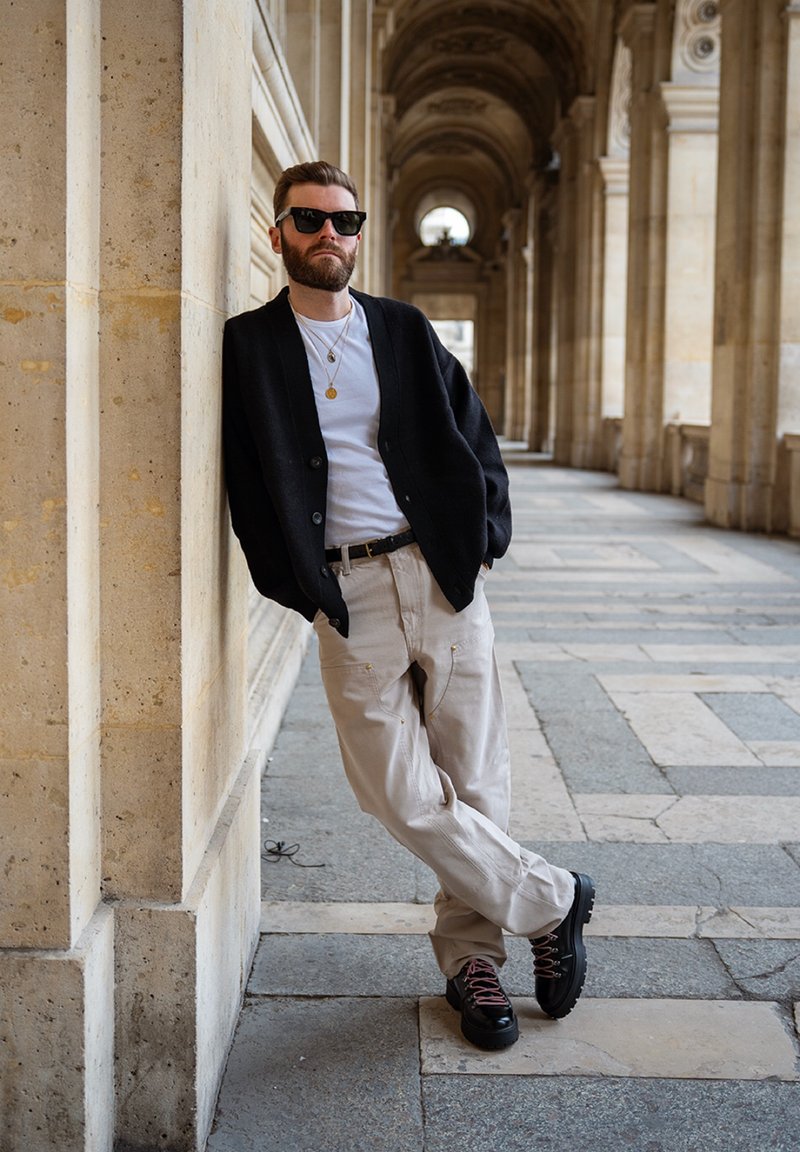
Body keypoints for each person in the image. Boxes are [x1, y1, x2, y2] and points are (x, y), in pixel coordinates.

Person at [222, 160, 594, 1051]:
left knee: (473, 778)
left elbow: (473, 432)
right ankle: (551, 900)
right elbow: (241, 475)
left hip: (440, 577)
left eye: (343, 222)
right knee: (395, 790)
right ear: (277, 234)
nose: (328, 236)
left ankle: (475, 964)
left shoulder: (402, 328)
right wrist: (302, 589)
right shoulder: (248, 344)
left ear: (359, 234)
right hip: (348, 593)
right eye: (308, 221)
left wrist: (484, 539)